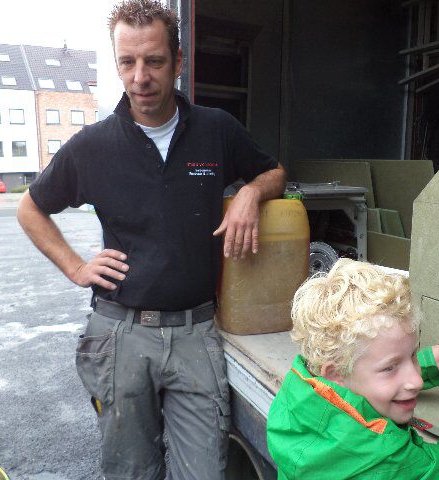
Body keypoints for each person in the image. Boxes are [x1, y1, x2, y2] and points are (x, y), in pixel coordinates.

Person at [16, 0, 286, 478]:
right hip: (121, 334)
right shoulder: (93, 146)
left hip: (196, 332)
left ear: (178, 62)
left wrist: (250, 192)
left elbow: (275, 173)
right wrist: (76, 267)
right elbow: (30, 208)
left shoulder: (216, 130)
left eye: (154, 61)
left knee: (203, 472)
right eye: (127, 62)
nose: (140, 77)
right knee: (131, 472)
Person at [266, 259, 439, 479]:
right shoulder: (388, 460)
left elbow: (364, 378)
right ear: (336, 374)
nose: (416, 381)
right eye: (390, 368)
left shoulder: (297, 396)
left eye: (412, 356)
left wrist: (424, 363)